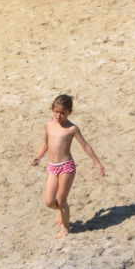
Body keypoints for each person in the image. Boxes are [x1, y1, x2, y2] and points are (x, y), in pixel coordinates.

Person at [33, 93, 105, 236]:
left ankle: (66, 227)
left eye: (63, 113)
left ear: (69, 112)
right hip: (53, 167)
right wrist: (38, 156)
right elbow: (46, 143)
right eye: (56, 112)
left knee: (61, 199)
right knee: (49, 201)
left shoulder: (72, 129)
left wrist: (97, 163)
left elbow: (85, 146)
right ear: (52, 109)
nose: (58, 116)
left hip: (67, 167)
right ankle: (61, 211)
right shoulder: (48, 125)